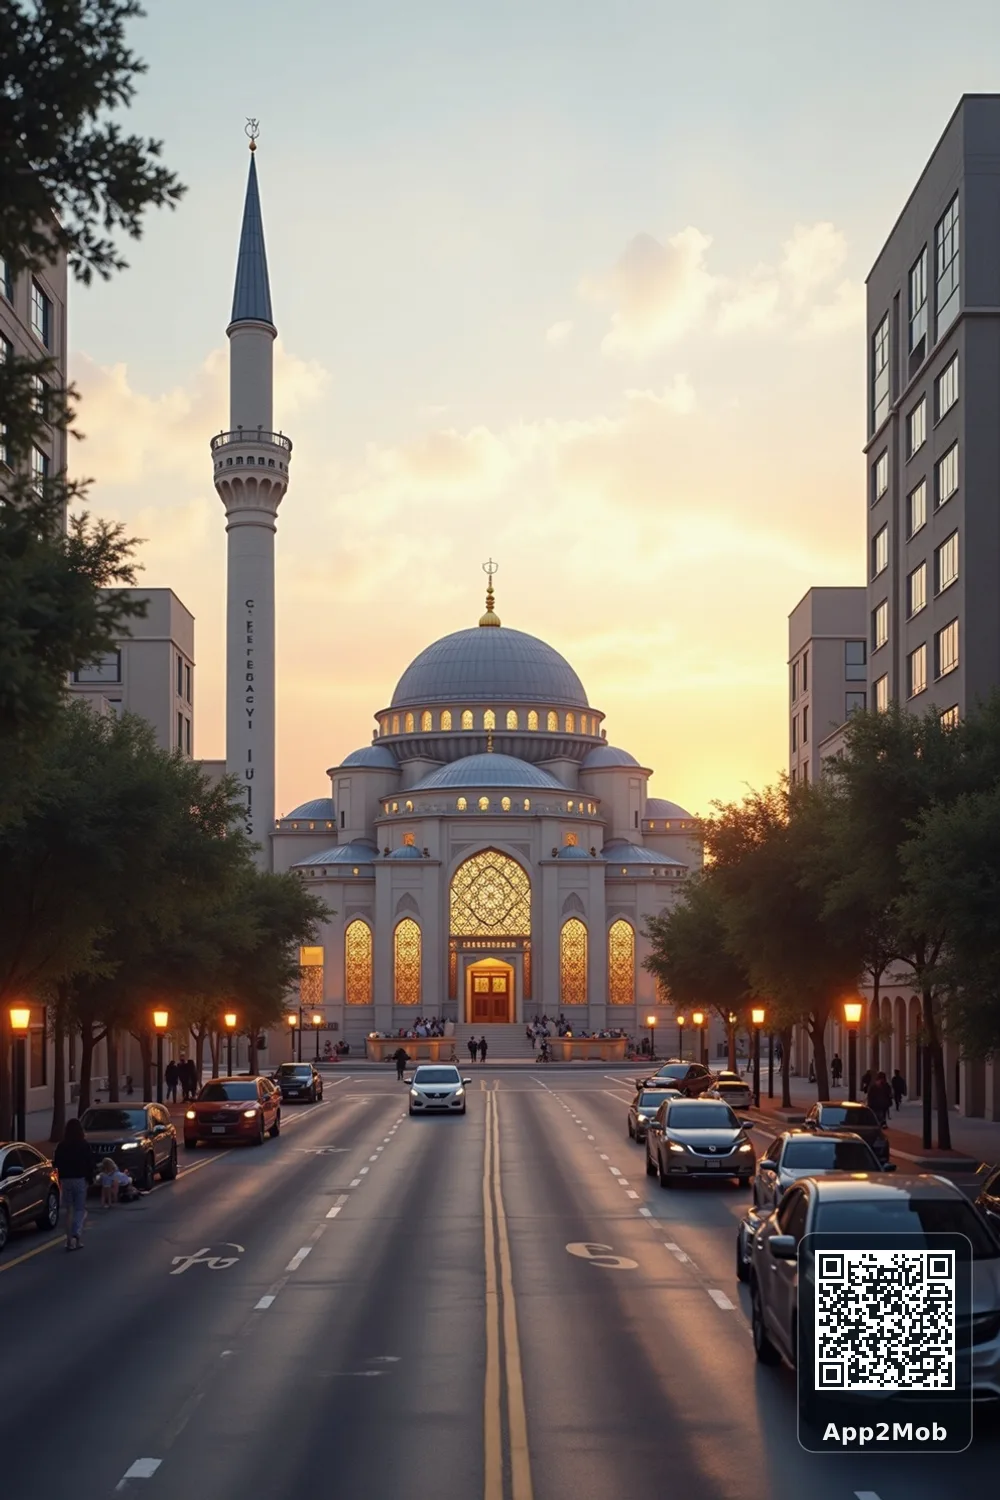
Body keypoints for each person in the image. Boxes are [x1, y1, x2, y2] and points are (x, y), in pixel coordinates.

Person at [53, 1116, 94, 1250]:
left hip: (66, 1180)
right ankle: (77, 1235)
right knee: (79, 1208)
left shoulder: (61, 1146)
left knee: (69, 1210)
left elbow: (56, 1163)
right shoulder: (84, 1145)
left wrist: (60, 1177)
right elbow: (89, 1163)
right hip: (80, 1179)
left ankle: (68, 1241)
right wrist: (90, 1178)